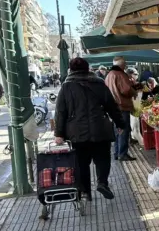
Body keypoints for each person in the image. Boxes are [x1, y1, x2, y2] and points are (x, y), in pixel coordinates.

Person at [54, 57, 127, 202]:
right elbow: (111, 106)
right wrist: (120, 124)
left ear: (71, 70)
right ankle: (102, 183)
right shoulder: (99, 83)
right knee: (103, 159)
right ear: (88, 68)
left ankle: (86, 192)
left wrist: (59, 134)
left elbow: (60, 112)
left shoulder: (66, 86)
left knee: (81, 163)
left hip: (77, 132)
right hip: (100, 129)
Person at [104, 56, 137, 161]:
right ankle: (122, 153)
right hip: (122, 106)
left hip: (113, 107)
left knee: (117, 131)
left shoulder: (109, 75)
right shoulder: (120, 74)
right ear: (123, 65)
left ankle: (117, 153)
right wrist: (133, 91)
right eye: (125, 64)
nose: (126, 66)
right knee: (123, 130)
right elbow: (126, 90)